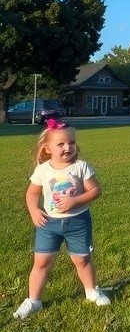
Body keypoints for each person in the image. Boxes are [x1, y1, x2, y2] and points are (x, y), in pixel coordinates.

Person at [13, 119, 110, 320]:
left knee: (82, 259)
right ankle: (34, 301)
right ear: (47, 149)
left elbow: (95, 190)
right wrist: (33, 211)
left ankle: (91, 292)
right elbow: (32, 193)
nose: (68, 148)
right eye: (61, 144)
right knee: (41, 261)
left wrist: (76, 200)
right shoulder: (43, 169)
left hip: (78, 222)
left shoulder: (81, 167)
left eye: (71, 143)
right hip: (49, 224)